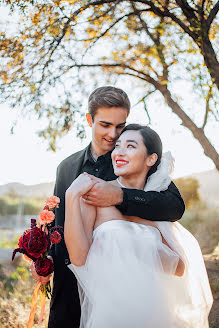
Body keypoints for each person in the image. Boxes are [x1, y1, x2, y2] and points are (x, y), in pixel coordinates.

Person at [30, 86, 185, 327]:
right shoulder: (66, 167)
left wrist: (120, 196)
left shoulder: (133, 160)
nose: (113, 134)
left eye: (120, 126)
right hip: (68, 289)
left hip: (119, 290)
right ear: (89, 120)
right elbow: (57, 223)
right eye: (105, 125)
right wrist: (44, 258)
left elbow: (174, 206)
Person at [65, 124, 213, 328]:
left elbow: (178, 268)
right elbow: (79, 258)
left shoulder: (155, 204)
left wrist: (134, 219)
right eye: (117, 146)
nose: (119, 152)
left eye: (131, 146)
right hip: (112, 313)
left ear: (151, 159)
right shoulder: (94, 193)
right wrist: (71, 196)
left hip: (156, 310)